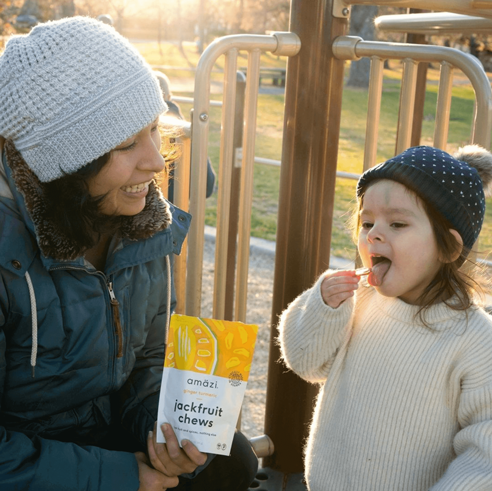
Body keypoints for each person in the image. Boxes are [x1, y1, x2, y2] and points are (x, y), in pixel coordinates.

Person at [0, 16, 257, 491]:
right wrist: (116, 477)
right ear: (64, 165)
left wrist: (168, 436)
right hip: (31, 462)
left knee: (229, 460)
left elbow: (149, 359)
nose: (157, 160)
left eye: (154, 129)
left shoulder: (142, 222)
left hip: (104, 436)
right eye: (125, 144)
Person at [278, 145, 492, 490]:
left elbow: (485, 454)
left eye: (397, 223)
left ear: (448, 247)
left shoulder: (476, 340)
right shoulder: (357, 300)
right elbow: (304, 361)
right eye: (367, 222)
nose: (374, 233)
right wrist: (323, 305)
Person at [153, 71, 216, 202]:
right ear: (170, 97)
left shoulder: (141, 131)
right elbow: (207, 187)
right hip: (179, 214)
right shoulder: (187, 134)